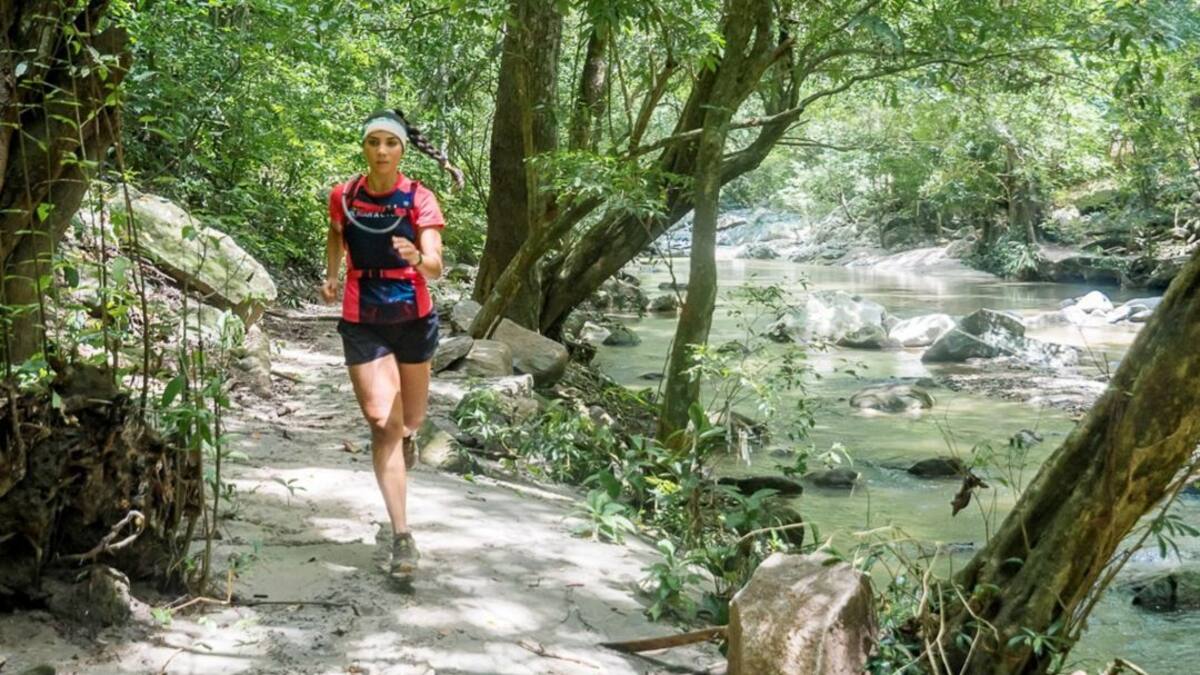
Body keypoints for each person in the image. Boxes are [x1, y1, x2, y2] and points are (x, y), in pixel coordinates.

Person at [321, 109, 462, 581]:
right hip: (362, 316)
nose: (381, 150)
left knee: (410, 421)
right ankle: (403, 537)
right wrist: (332, 276)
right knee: (384, 421)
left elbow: (437, 264)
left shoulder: (419, 197)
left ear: (402, 150)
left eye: (390, 143)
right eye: (373, 142)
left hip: (412, 315)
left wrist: (420, 256)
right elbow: (336, 235)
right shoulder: (344, 196)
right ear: (364, 147)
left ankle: (409, 437)